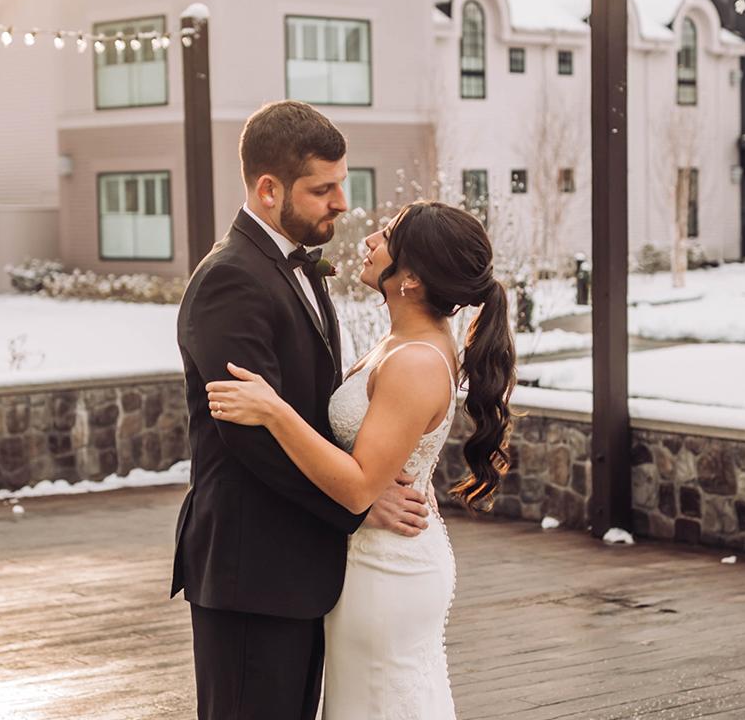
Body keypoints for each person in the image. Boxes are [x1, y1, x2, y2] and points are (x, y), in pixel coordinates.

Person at [171, 100, 433, 720]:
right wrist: (357, 498)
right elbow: (249, 437)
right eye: (324, 189)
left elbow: (309, 411)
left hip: (299, 566)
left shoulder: (299, 269)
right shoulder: (229, 279)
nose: (341, 202)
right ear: (268, 189)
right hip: (250, 568)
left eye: (340, 184)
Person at [207, 199, 517, 719]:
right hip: (372, 554)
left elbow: (356, 489)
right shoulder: (405, 339)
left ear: (412, 278)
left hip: (387, 569)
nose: (370, 238)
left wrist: (273, 411)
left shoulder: (416, 360)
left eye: (387, 234)